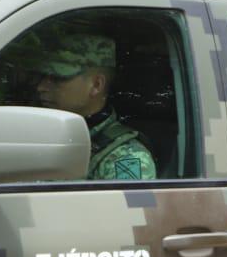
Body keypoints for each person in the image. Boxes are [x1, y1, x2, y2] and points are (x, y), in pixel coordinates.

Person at [35, 33, 156, 181]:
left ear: (96, 85)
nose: (41, 87)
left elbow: (133, 204)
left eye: (57, 79)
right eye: (42, 77)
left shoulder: (126, 158)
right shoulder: (41, 135)